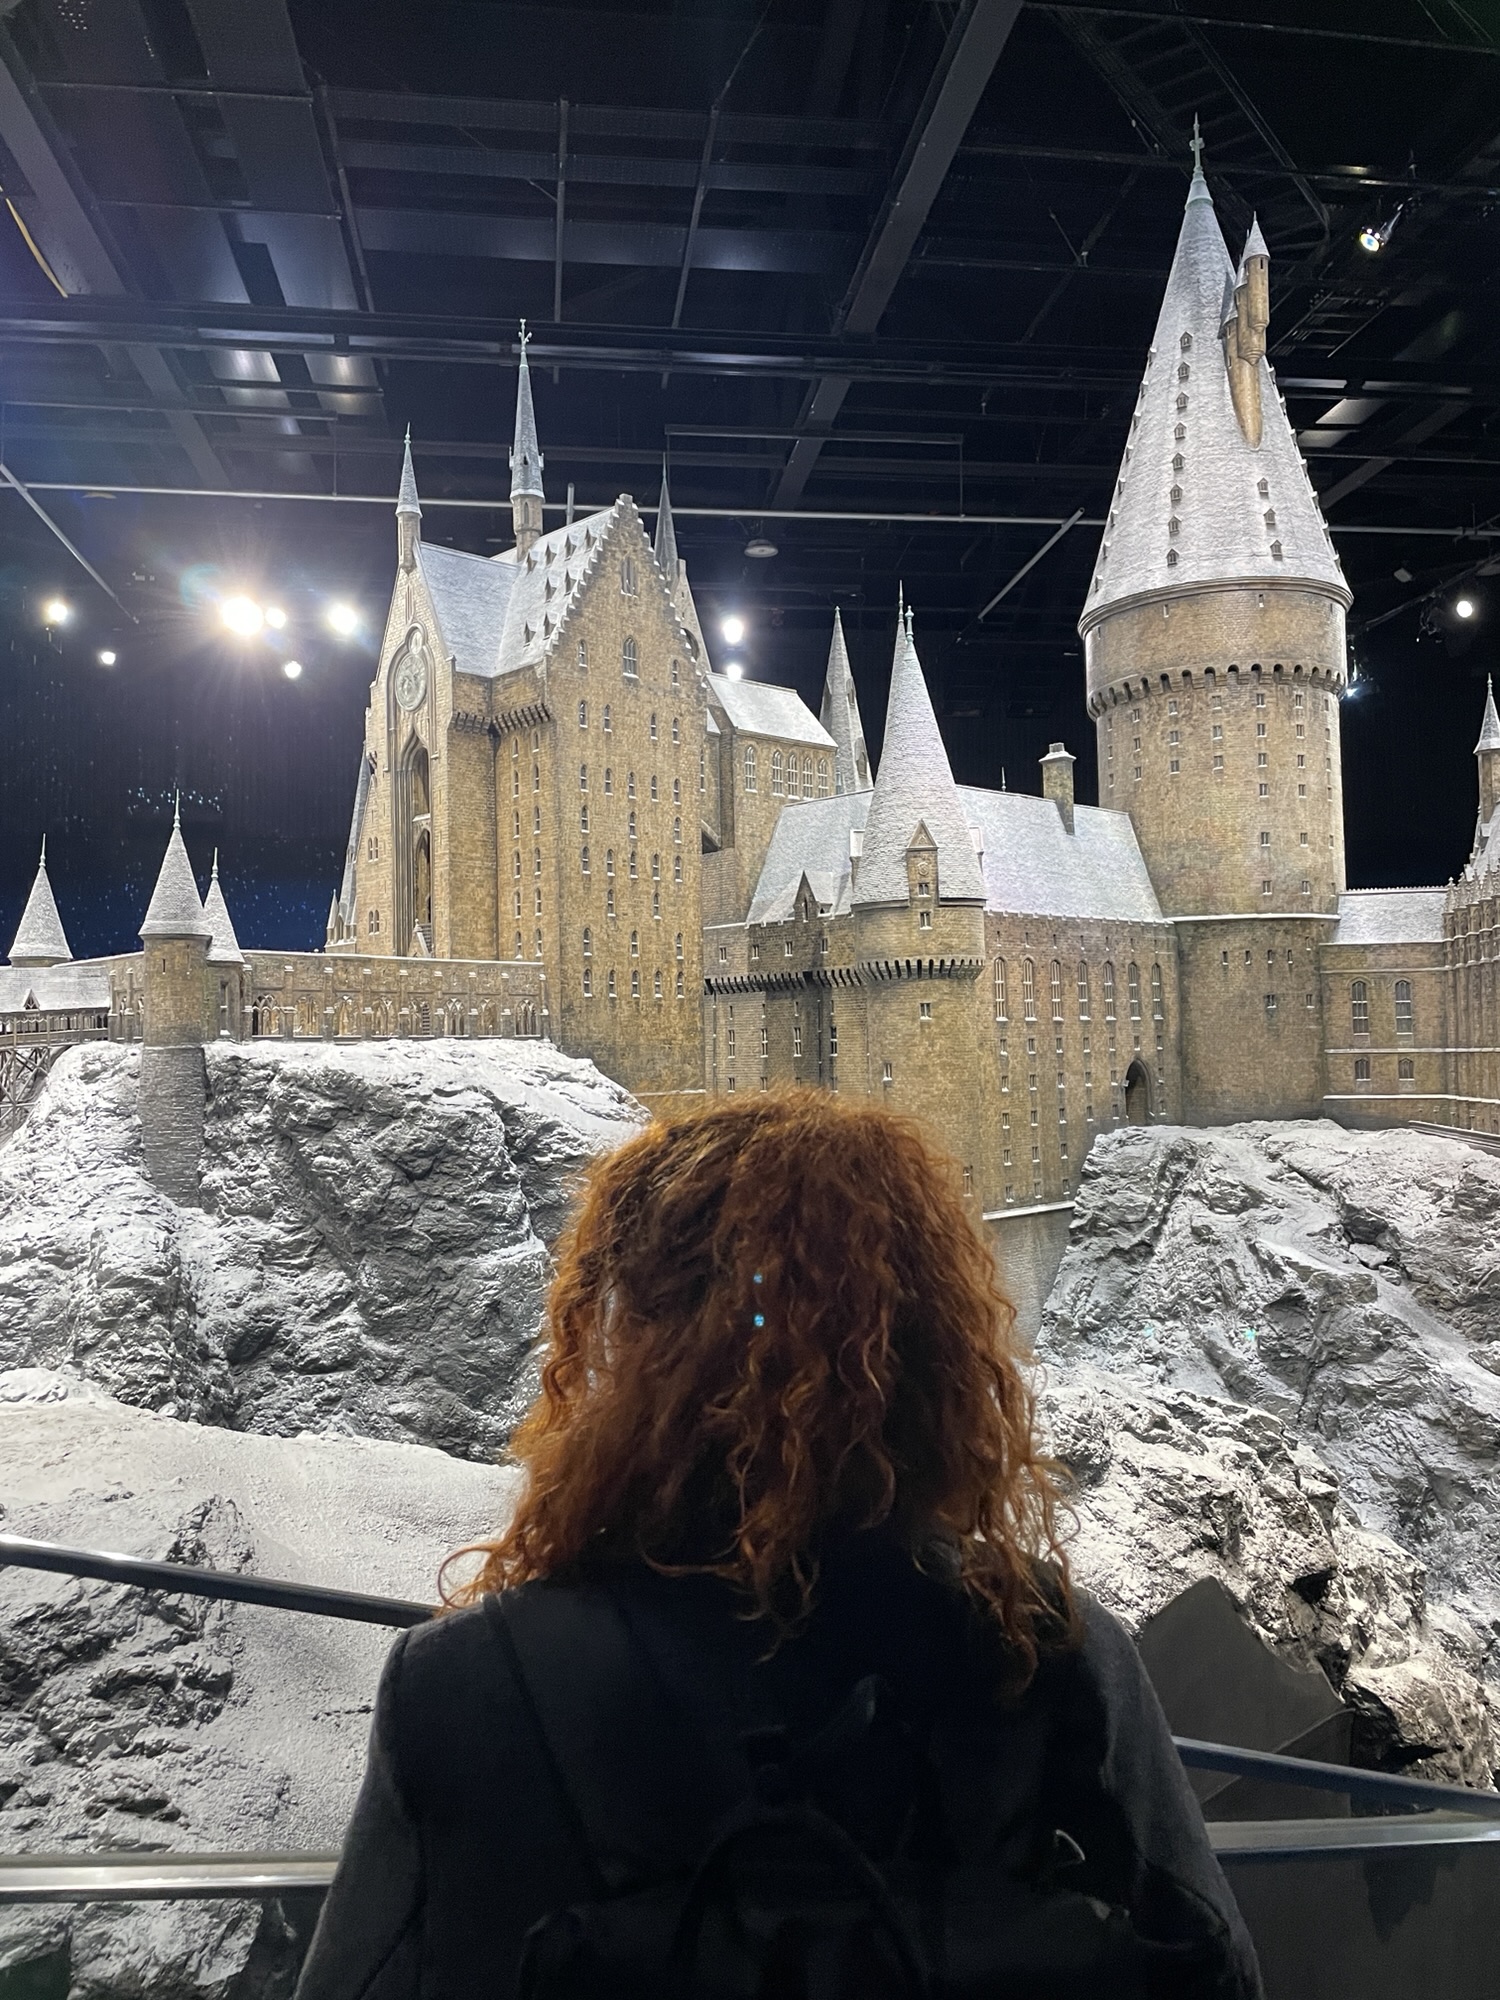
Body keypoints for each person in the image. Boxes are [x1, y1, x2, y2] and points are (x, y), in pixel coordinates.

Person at [296, 1090, 1261, 2000]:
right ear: (934, 1349)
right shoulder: (1046, 1651)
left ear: (630, 1350)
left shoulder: (467, 1682)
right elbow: (1215, 1967)